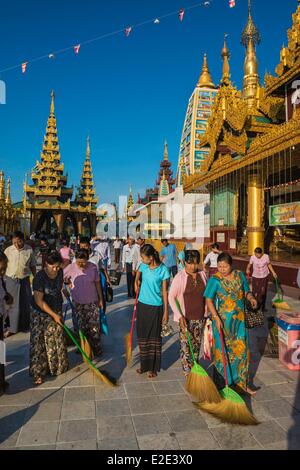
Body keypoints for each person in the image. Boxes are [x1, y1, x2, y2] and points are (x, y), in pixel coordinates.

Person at [204, 253, 257, 396]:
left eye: (225, 266)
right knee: (223, 353)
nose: (221, 269)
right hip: (222, 322)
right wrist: (215, 317)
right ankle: (223, 386)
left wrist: (251, 298)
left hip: (239, 322)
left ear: (231, 265)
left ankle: (242, 384)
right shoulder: (214, 280)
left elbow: (246, 291)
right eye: (219, 266)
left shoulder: (239, 275)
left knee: (241, 352)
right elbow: (209, 299)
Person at [30, 251, 69, 386]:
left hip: (56, 308)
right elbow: (39, 301)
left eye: (58, 267)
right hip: (40, 313)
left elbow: (59, 288)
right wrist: (53, 315)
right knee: (39, 343)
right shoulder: (40, 277)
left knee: (57, 338)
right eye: (54, 267)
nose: (56, 269)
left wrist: (66, 291)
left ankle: (56, 367)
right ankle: (38, 372)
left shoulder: (60, 272)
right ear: (46, 264)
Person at [169, 250, 207, 377]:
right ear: (185, 262)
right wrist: (179, 316)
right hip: (185, 319)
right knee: (186, 349)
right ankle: (188, 375)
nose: (193, 267)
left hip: (200, 317)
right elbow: (171, 297)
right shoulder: (179, 277)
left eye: (196, 263)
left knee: (196, 347)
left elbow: (207, 295)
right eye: (190, 263)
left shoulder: (203, 274)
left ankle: (195, 371)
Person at [134, 244, 170, 378]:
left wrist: (166, 312)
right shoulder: (143, 266)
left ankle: (153, 368)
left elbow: (165, 292)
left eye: (143, 258)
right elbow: (137, 276)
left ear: (150, 257)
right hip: (142, 305)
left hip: (156, 307)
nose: (142, 260)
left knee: (154, 337)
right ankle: (144, 365)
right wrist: (135, 283)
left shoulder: (163, 270)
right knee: (142, 336)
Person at [64, 249, 103, 357]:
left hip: (92, 302)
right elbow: (63, 280)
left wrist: (100, 299)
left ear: (88, 259)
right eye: (78, 262)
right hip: (78, 302)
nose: (81, 264)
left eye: (83, 261)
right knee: (81, 327)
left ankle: (96, 349)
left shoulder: (93, 267)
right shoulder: (70, 268)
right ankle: (84, 348)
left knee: (94, 327)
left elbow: (97, 283)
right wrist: (67, 284)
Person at [4, 231, 37, 336]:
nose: (17, 244)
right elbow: (3, 264)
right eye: (14, 242)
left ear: (23, 239)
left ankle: (24, 326)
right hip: (10, 280)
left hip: (24, 280)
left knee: (24, 304)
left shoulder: (29, 250)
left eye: (19, 241)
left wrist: (35, 278)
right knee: (11, 304)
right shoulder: (8, 250)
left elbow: (32, 265)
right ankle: (11, 328)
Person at [246, 247, 277, 312]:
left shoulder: (266, 256)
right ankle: (254, 305)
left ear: (261, 253)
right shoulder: (252, 257)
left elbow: (269, 264)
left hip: (264, 276)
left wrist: (273, 272)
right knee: (255, 291)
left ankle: (262, 307)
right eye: (256, 255)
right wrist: (248, 268)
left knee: (263, 292)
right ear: (255, 253)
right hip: (255, 276)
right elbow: (249, 264)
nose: (258, 256)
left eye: (259, 255)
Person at [0, 252, 13, 395]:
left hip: (0, 318)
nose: (3, 272)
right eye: (1, 269)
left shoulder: (1, 279)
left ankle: (1, 381)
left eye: (4, 269)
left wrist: (7, 297)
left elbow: (3, 293)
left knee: (0, 351)